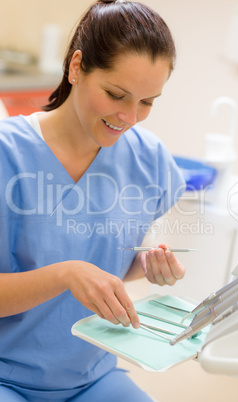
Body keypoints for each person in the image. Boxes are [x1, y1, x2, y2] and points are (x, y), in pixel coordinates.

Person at [0, 1, 186, 401]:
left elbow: (110, 264)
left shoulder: (147, 159)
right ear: (76, 67)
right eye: (116, 94)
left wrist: (147, 263)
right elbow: (75, 269)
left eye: (147, 102)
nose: (130, 117)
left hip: (91, 376)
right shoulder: (7, 156)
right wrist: (65, 274)